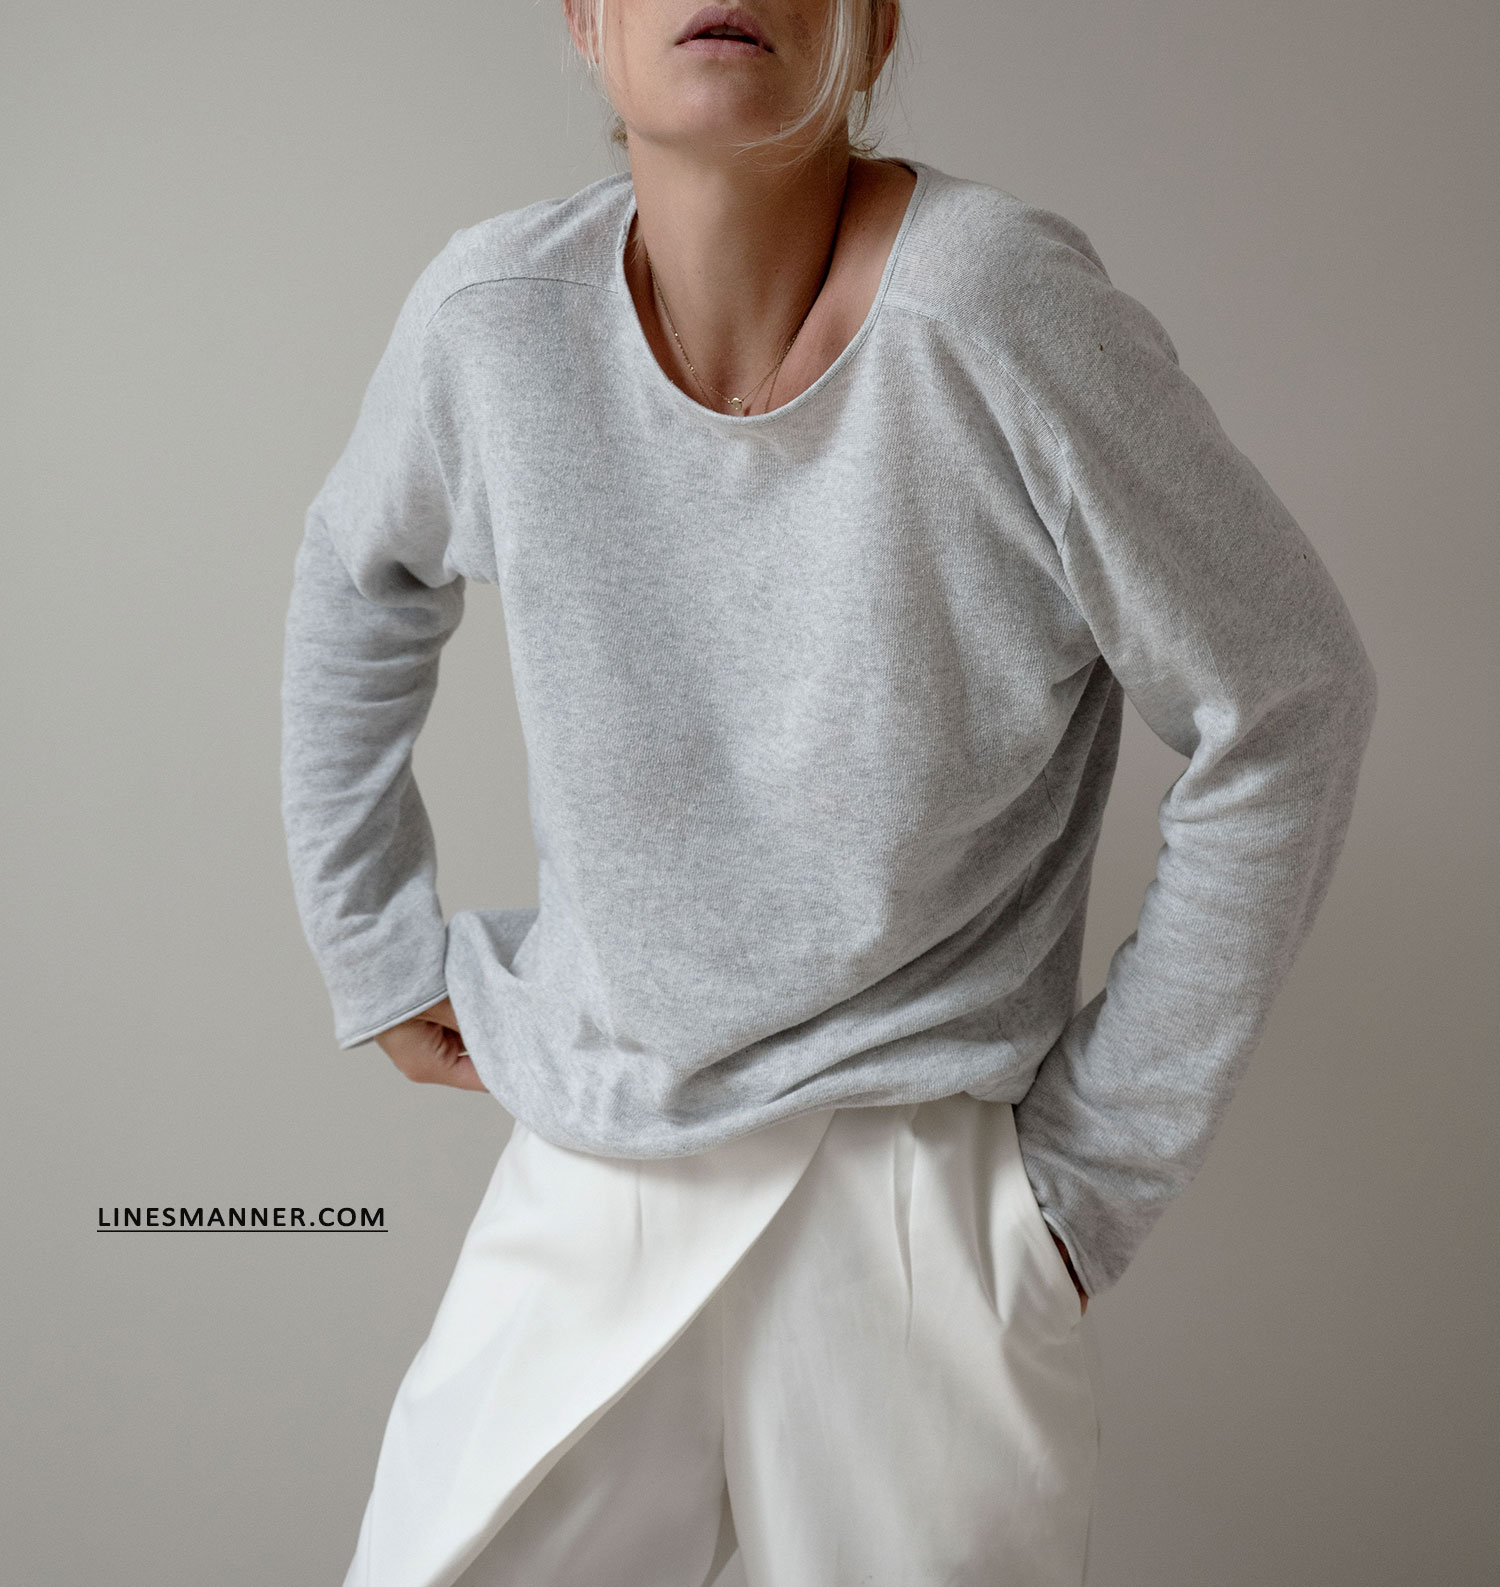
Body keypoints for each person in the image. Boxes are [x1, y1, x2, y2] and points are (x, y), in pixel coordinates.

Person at [279, 3, 1377, 1583]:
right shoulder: (492, 319)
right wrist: (372, 945)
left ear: (876, 22)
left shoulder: (996, 310)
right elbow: (357, 573)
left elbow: (1286, 695)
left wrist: (1091, 1181)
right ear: (582, 17)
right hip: (593, 1149)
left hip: (915, 1196)